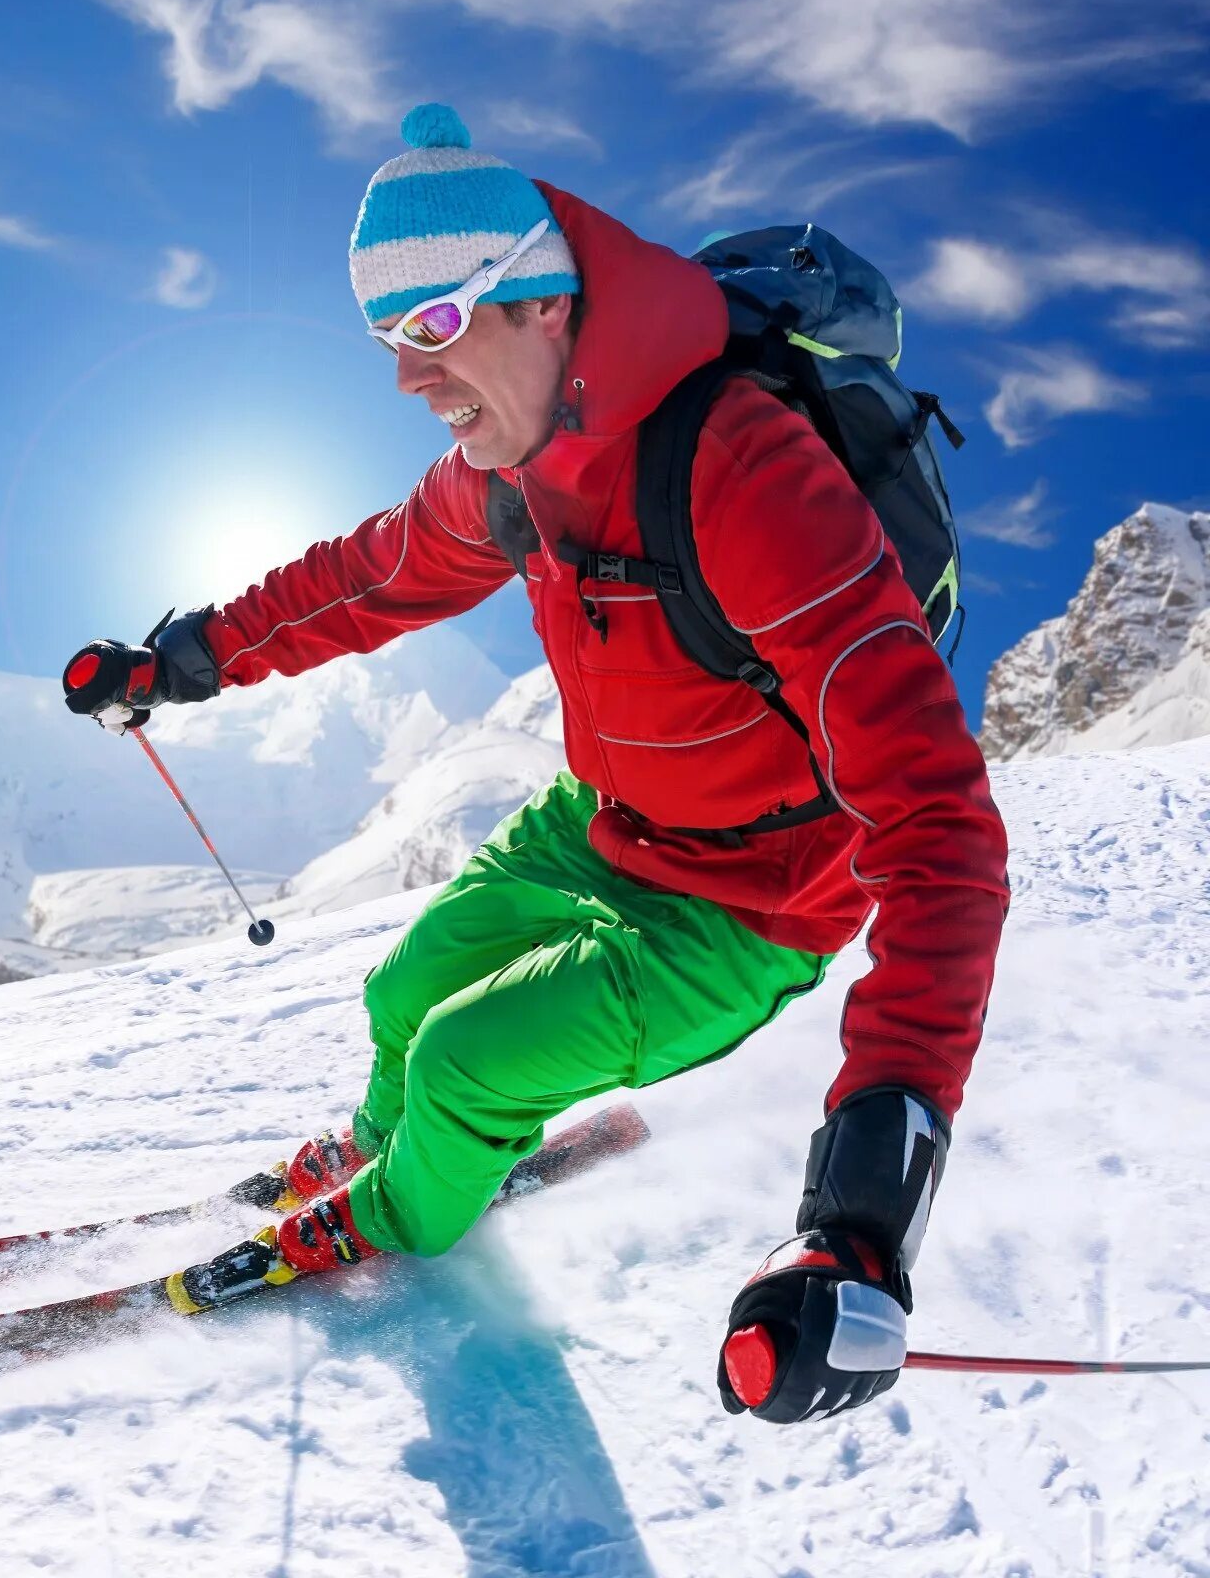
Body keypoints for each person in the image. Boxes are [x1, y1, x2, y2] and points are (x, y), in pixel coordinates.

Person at [61, 104, 1008, 1425]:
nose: (407, 376)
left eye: (436, 328)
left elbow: (942, 830)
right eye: (391, 340)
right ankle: (396, 1155)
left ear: (544, 304)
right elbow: (363, 578)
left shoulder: (746, 472)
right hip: (601, 822)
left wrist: (860, 1215)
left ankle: (395, 1217)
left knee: (463, 1059)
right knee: (405, 994)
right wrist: (181, 660)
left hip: (748, 901)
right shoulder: (509, 465)